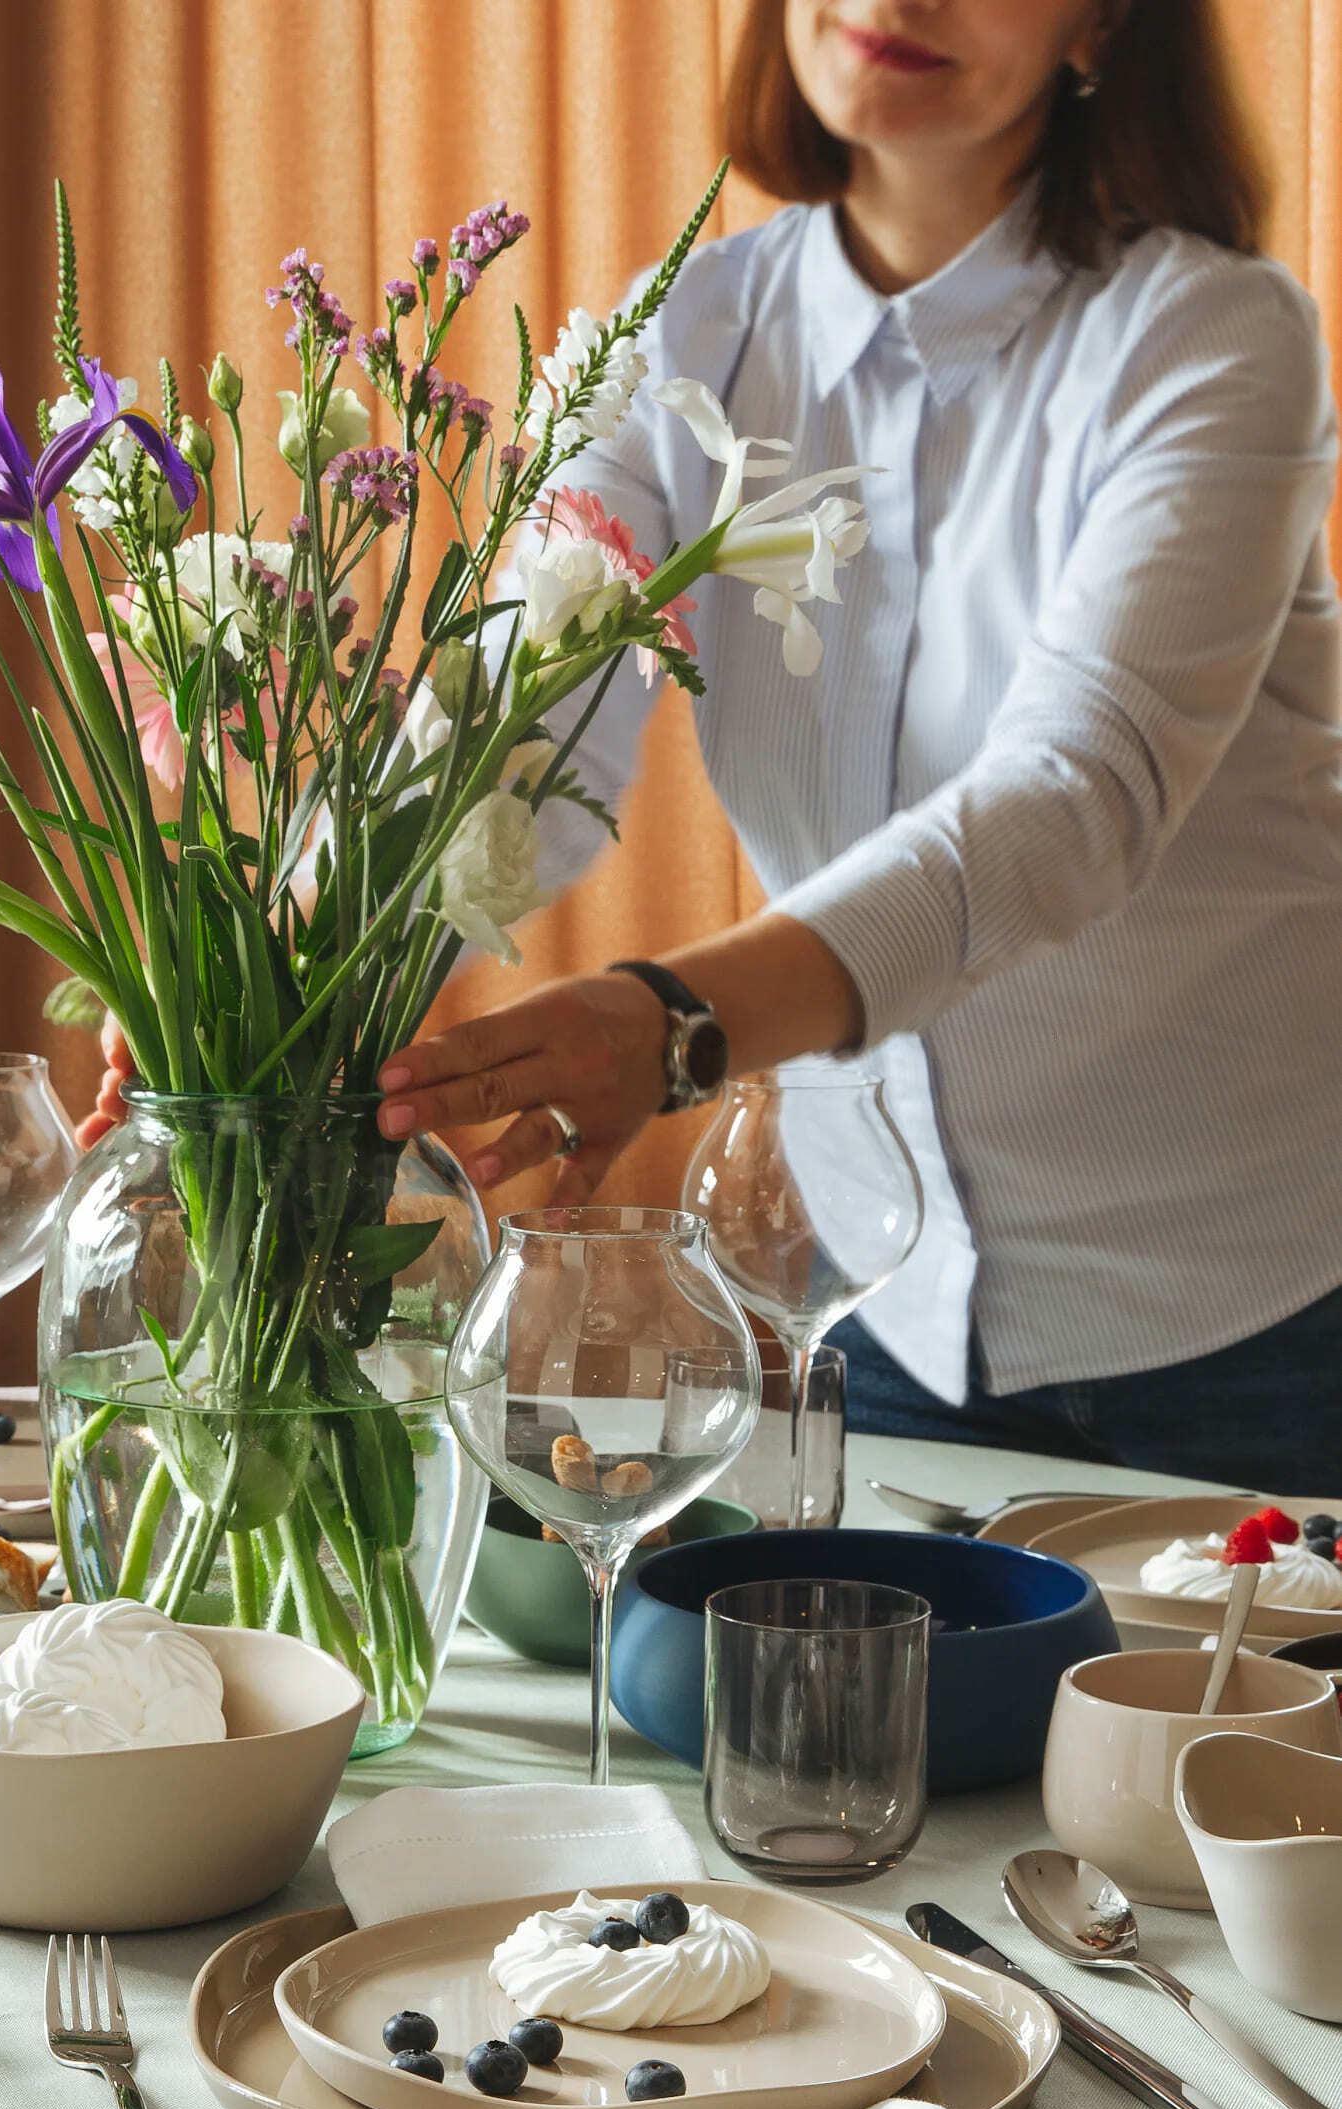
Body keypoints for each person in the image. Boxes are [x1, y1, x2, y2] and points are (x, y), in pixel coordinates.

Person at [367, 0, 1342, 1490]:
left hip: (1252, 1318)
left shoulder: (1209, 334)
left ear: (1099, 27)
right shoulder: (682, 336)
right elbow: (515, 723)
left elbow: (1075, 795)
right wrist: (282, 966)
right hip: (884, 1302)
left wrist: (671, 1020)